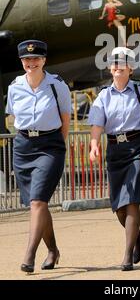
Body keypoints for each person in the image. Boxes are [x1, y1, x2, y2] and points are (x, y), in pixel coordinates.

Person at [6, 40, 71, 273]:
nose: (31, 63)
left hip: (50, 146)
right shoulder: (14, 87)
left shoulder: (57, 86)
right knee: (38, 205)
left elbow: (65, 120)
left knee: (37, 201)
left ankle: (29, 255)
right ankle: (53, 250)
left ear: (44, 60)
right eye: (26, 59)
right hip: (24, 147)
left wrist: (58, 147)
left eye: (35, 59)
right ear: (22, 62)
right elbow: (12, 117)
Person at [89, 47, 140, 271]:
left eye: (123, 62)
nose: (118, 66)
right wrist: (94, 144)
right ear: (110, 68)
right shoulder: (103, 95)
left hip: (137, 148)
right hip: (115, 150)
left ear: (131, 68)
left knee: (132, 200)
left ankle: (127, 254)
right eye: (114, 62)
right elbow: (97, 124)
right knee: (118, 206)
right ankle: (138, 237)